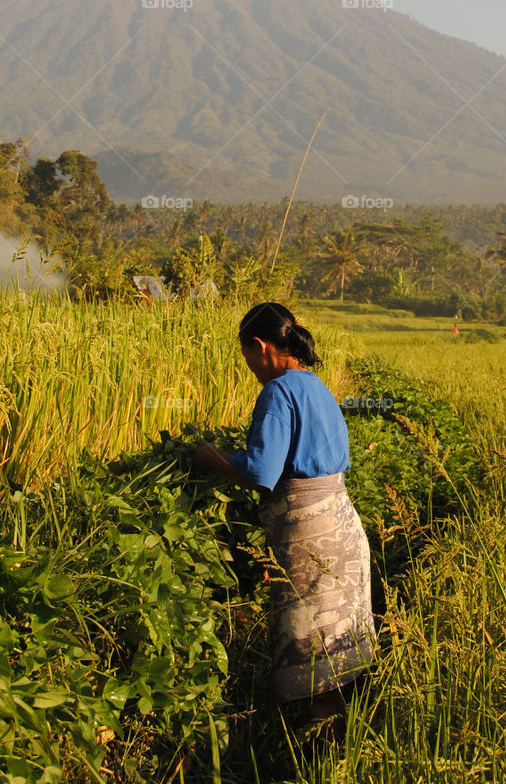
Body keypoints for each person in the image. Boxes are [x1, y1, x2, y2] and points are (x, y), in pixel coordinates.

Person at [194, 301, 376, 743]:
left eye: (248, 358)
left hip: (310, 536)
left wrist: (210, 457)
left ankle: (316, 754)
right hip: (342, 526)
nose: (252, 368)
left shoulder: (277, 392)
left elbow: (261, 472)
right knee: (336, 649)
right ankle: (340, 749)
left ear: (260, 346)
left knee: (311, 650)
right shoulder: (316, 386)